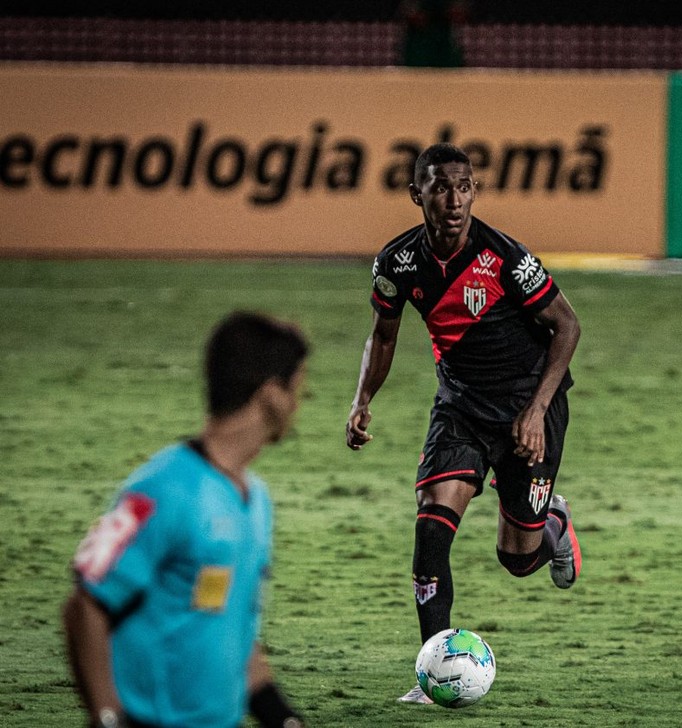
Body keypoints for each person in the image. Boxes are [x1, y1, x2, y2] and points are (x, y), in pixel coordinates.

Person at [346, 142, 582, 704]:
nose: (454, 199)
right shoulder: (397, 263)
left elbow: (568, 326)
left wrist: (536, 411)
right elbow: (384, 334)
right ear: (417, 194)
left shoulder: (505, 258)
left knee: (518, 560)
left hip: (530, 407)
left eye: (464, 187)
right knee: (431, 528)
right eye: (440, 187)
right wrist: (362, 401)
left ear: (474, 191)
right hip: (461, 409)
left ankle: (554, 524)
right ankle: (432, 676)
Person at [63, 311, 310, 728]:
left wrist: (281, 717)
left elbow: (232, 630)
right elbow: (85, 605)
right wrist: (106, 718)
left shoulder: (256, 500)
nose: (297, 405)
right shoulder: (161, 489)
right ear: (270, 394)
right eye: (297, 390)